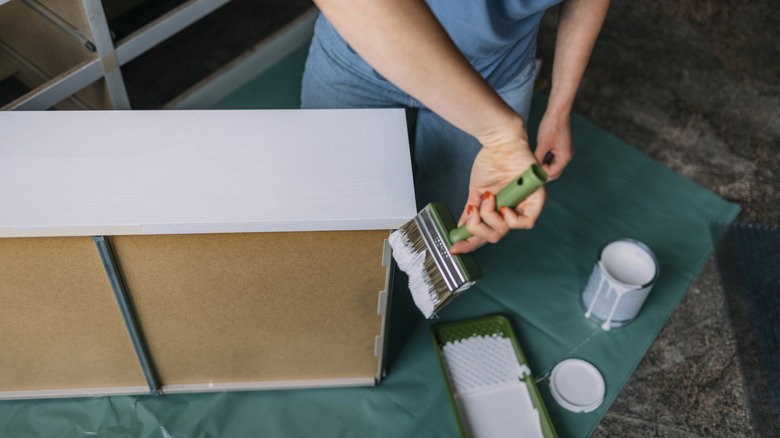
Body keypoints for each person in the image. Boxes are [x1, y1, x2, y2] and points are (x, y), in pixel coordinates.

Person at [301, 0, 610, 254]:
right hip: (356, 56)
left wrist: (559, 107)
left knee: (450, 229)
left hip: (495, 76)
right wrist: (503, 138)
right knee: (329, 215)